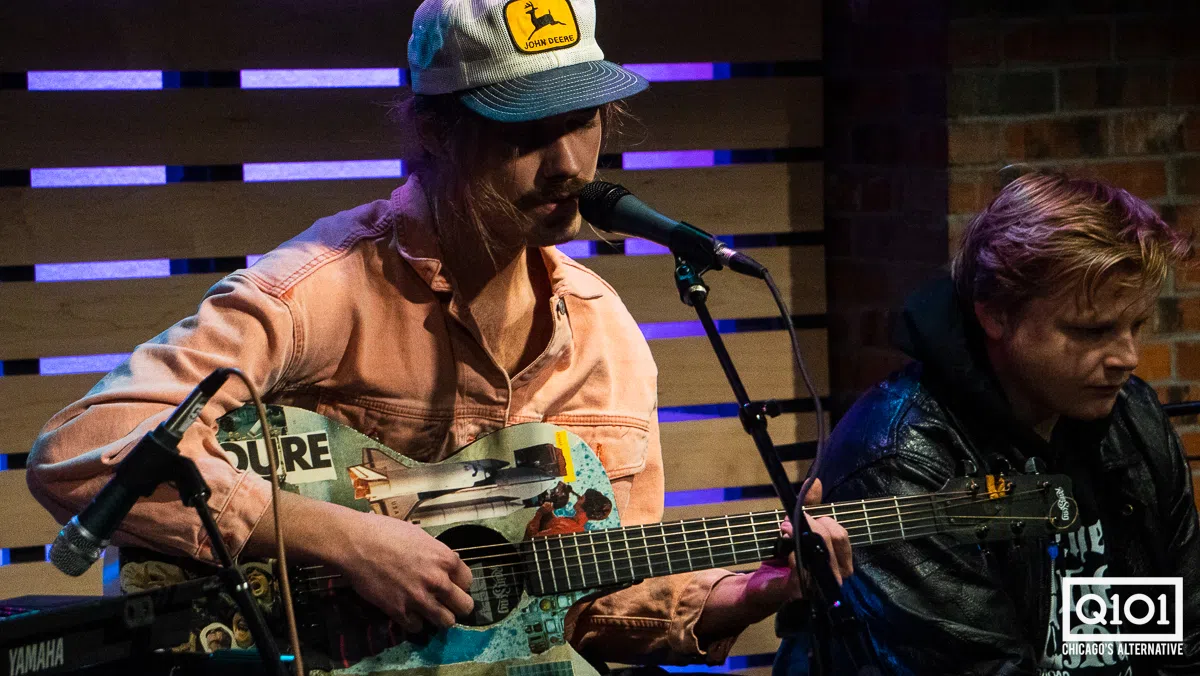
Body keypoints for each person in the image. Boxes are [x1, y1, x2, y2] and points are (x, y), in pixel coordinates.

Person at [26, 0, 851, 669]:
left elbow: (590, 606)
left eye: (585, 121)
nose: (570, 164)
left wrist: (751, 593)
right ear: (433, 130)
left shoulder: (603, 334)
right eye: (528, 131)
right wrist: (344, 538)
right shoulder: (316, 291)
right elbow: (81, 450)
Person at [775, 168, 1200, 675]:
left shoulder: (1131, 416)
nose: (1127, 357)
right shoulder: (900, 459)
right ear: (995, 314)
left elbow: (1179, 640)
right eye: (1091, 331)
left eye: (1137, 325)